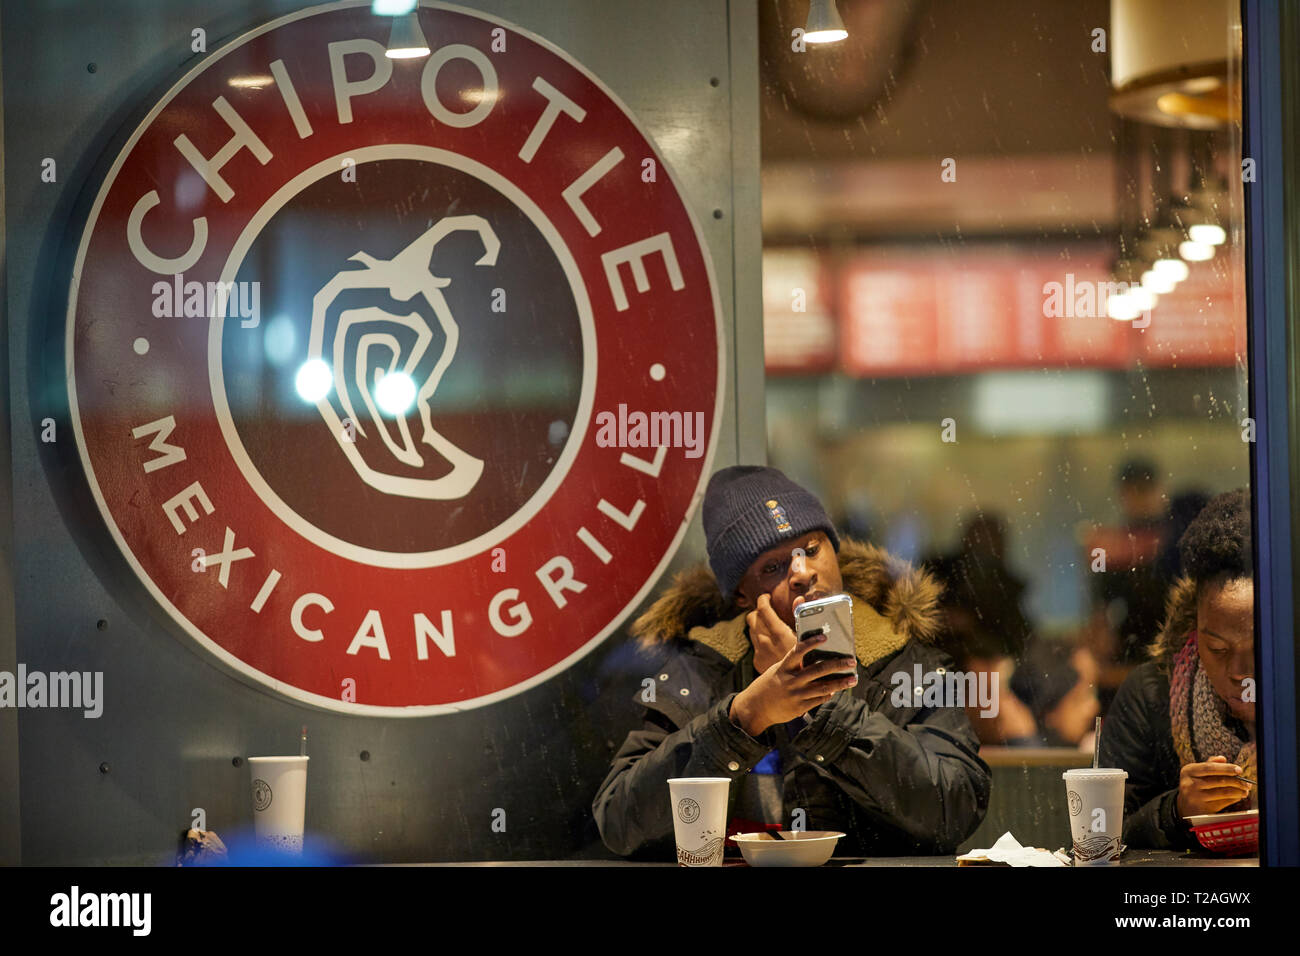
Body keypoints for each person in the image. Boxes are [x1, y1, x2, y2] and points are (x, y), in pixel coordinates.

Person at [592, 466, 991, 858]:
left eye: (812, 549)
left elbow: (954, 811)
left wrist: (818, 702)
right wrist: (742, 717)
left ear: (834, 550)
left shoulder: (906, 663)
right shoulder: (699, 670)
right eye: (773, 567)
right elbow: (619, 823)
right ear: (743, 597)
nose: (802, 573)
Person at [1097, 488, 1255, 850]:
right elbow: (1100, 832)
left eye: (1259, 647)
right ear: (1195, 629)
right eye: (1217, 649)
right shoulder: (1151, 693)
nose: (1240, 671)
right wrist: (1177, 809)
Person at [1082, 458, 1171, 713]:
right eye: (1132, 490)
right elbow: (1099, 614)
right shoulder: (1111, 545)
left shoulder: (1173, 540)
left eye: (1144, 489)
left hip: (1171, 647)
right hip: (1129, 653)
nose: (1139, 498)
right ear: (1123, 494)